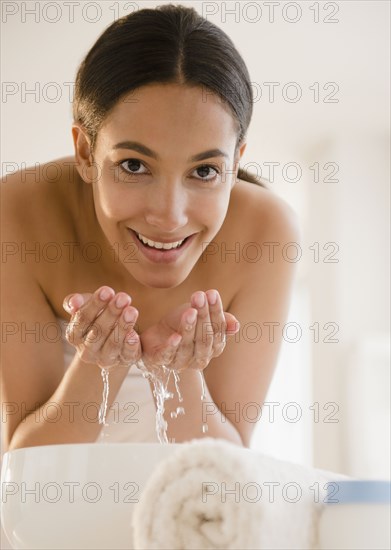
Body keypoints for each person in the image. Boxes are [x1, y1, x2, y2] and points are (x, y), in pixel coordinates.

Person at [1, 4, 300, 452]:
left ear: (236, 165)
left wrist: (178, 372)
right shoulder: (17, 213)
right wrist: (97, 367)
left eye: (204, 171)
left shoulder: (267, 233)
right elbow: (25, 466)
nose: (169, 216)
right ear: (85, 153)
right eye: (134, 165)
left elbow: (225, 467)